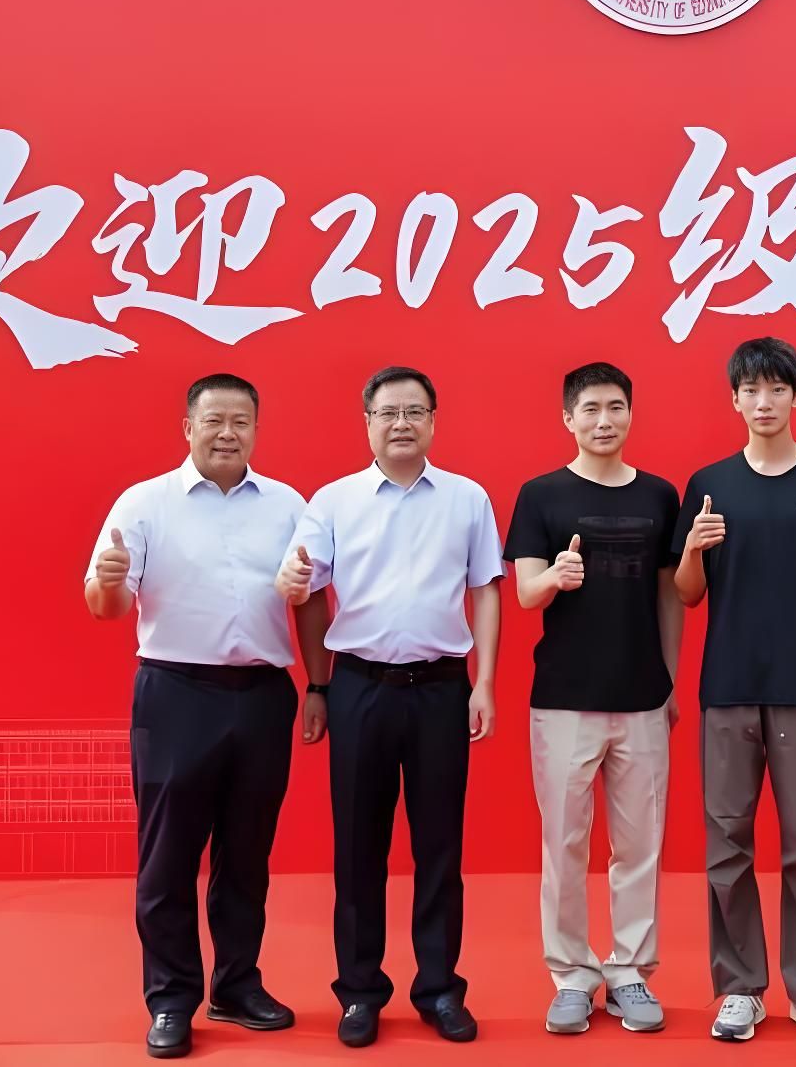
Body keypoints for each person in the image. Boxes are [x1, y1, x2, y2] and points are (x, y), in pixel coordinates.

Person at [275, 366, 502, 1048]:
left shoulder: (467, 499)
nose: (402, 423)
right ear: (367, 423)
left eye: (414, 412)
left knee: (440, 846)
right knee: (357, 845)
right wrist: (316, 680)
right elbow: (302, 588)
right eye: (388, 413)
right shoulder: (334, 501)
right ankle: (359, 992)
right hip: (360, 687)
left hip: (440, 687)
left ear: (433, 420)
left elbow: (486, 589)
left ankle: (439, 989)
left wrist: (484, 682)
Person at [83, 373, 306, 1060]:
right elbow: (105, 605)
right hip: (175, 692)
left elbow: (312, 598)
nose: (227, 433)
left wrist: (320, 683)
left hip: (263, 694)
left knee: (247, 854)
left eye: (241, 421)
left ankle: (236, 985)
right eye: (214, 421)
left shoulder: (288, 505)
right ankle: (171, 1000)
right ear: (188, 428)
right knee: (168, 856)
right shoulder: (144, 503)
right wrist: (109, 580)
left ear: (256, 429)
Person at [674, 336, 796, 1045]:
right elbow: (688, 594)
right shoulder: (709, 484)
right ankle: (739, 988)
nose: (764, 402)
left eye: (776, 390)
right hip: (728, 687)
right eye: (751, 391)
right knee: (726, 841)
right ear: (734, 399)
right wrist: (692, 547)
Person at [505, 362, 683, 1035]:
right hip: (563, 700)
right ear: (567, 418)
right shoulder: (540, 495)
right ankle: (572, 976)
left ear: (631, 413)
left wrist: (669, 681)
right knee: (565, 844)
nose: (604, 420)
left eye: (615, 407)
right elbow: (525, 593)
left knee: (640, 845)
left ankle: (630, 971)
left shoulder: (660, 495)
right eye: (590, 409)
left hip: (643, 699)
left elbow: (670, 596)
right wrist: (554, 575)